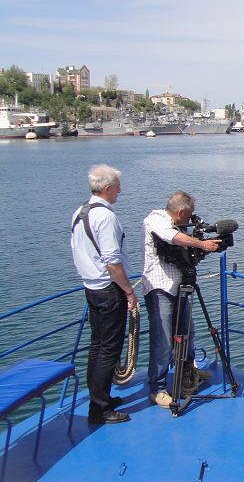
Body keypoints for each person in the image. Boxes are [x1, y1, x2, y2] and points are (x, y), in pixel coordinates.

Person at [70, 164, 137, 425]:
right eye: (118, 186)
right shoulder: (105, 217)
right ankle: (100, 409)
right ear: (108, 188)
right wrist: (129, 291)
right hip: (109, 290)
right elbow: (112, 261)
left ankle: (100, 398)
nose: (120, 190)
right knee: (109, 349)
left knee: (97, 347)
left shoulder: (80, 212)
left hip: (92, 288)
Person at [142, 191, 220, 408]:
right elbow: (170, 237)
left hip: (181, 286)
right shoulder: (155, 219)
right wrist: (201, 244)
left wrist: (201, 245)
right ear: (181, 212)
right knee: (164, 340)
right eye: (189, 214)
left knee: (188, 332)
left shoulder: (181, 226)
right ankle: (157, 389)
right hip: (160, 288)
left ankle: (188, 372)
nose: (190, 218)